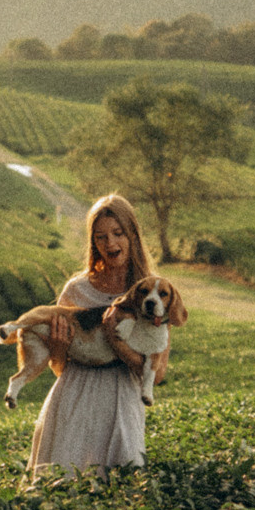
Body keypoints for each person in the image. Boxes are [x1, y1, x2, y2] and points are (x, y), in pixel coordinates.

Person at [28, 194, 168, 473]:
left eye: (118, 234)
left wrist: (116, 341)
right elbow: (59, 368)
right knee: (63, 483)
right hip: (73, 397)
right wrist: (58, 346)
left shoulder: (151, 293)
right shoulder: (76, 290)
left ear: (132, 235)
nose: (110, 244)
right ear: (93, 242)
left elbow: (158, 373)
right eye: (101, 237)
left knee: (122, 484)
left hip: (122, 399)